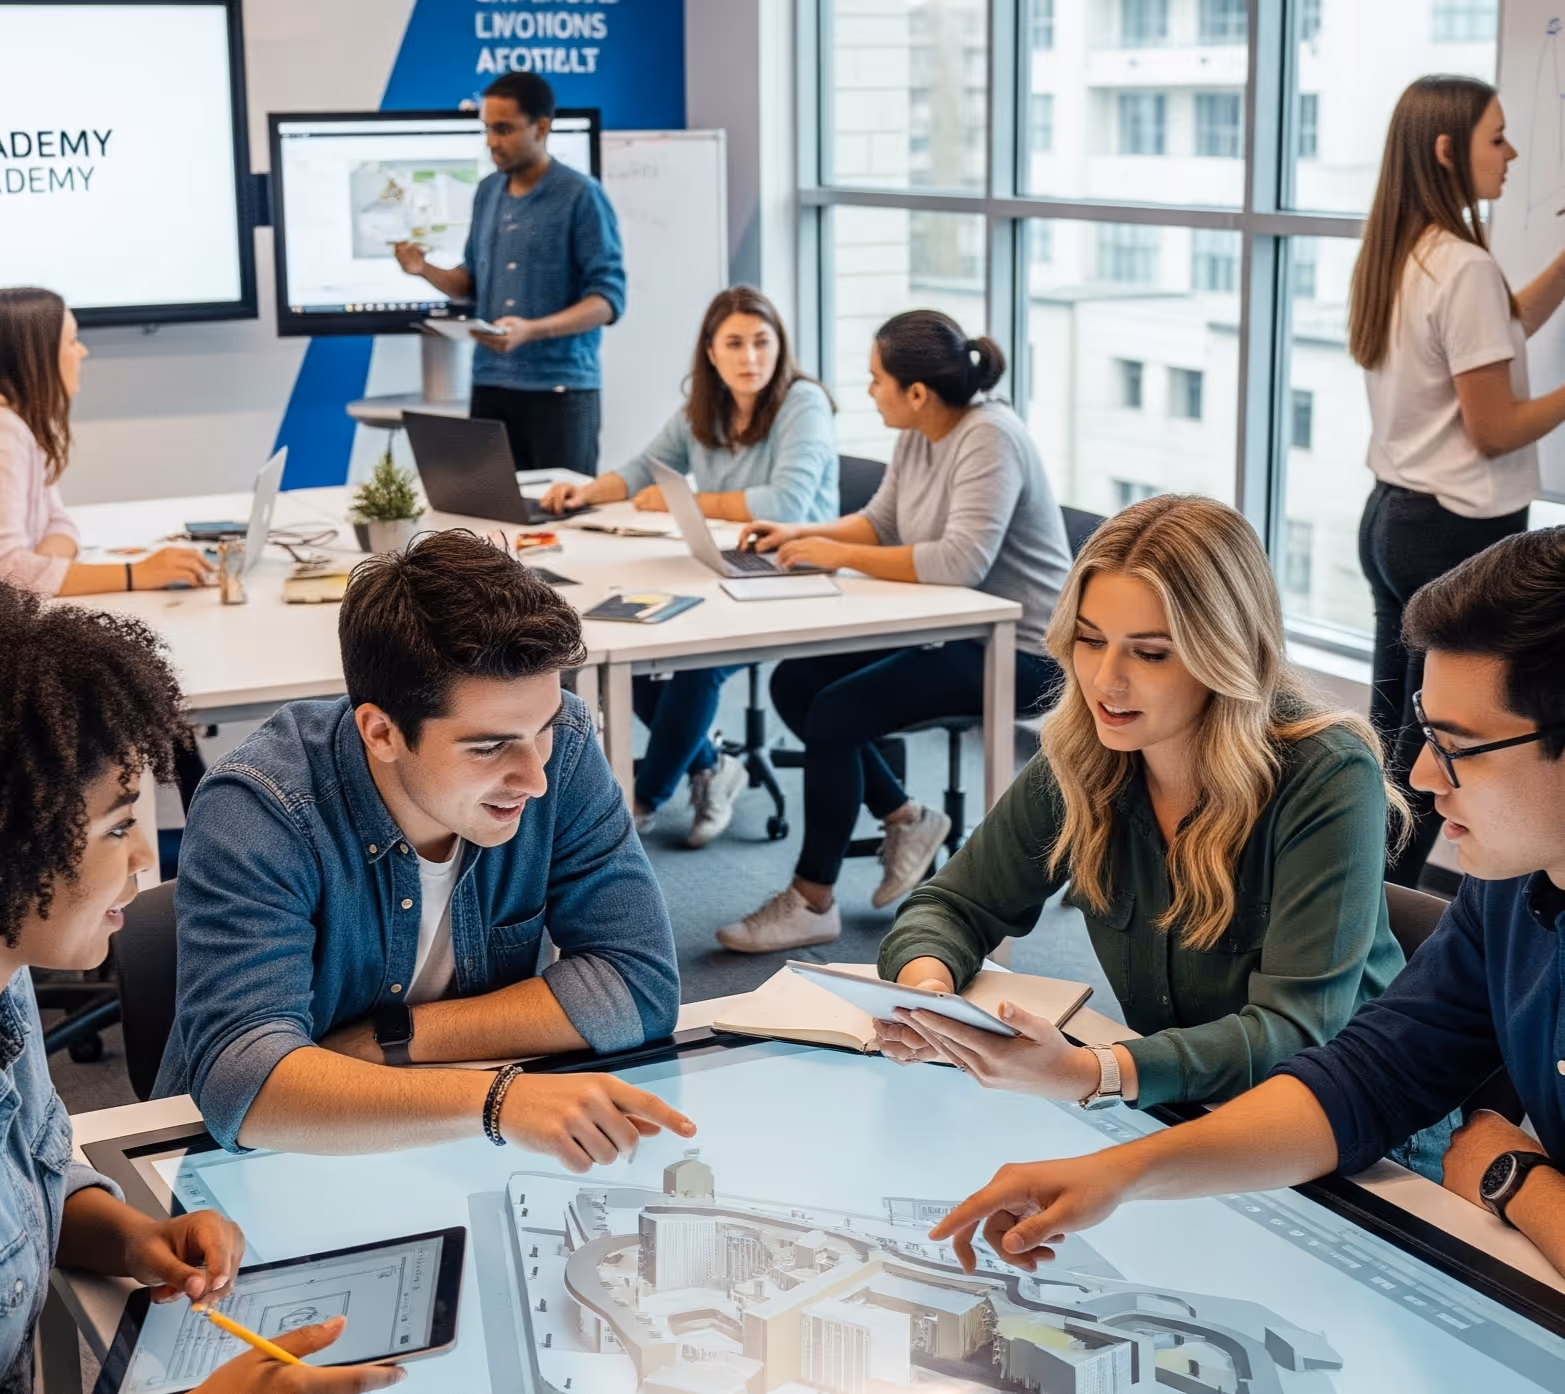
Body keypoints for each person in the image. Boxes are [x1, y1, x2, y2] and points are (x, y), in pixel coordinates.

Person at [930, 528, 1565, 1282]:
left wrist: (1514, 1181)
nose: (1422, 776)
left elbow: (1300, 1038)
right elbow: (1366, 1079)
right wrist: (1117, 1173)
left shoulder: (1327, 774)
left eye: (1458, 744)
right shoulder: (1505, 889)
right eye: (1426, 732)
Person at [871, 497, 1435, 1139]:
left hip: (1352, 1138)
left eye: (1151, 653)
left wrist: (1094, 1072)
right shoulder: (1087, 753)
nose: (1105, 681)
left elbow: (1295, 1033)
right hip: (1179, 1111)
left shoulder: (1325, 774)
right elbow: (952, 908)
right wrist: (932, 998)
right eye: (1090, 640)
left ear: (1224, 653)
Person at [156, 530, 693, 1169]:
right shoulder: (263, 807)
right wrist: (498, 1100)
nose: (537, 778)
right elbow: (245, 1083)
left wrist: (397, 1039)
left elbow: (640, 985)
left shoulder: (564, 746)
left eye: (541, 731)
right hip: (261, 1168)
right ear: (381, 733)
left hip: (465, 1140)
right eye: (490, 747)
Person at [0, 583, 403, 1391]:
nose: (146, 860)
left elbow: (36, 1176)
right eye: (117, 826)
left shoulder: (6, 986)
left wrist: (129, 1236)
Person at [714, 310, 1071, 953]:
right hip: (951, 627)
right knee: (797, 682)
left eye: (877, 379)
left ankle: (812, 899)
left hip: (1020, 648)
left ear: (916, 392)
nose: (870, 390)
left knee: (838, 710)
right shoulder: (918, 431)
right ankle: (906, 817)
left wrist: (836, 555)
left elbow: (960, 562)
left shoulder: (990, 437)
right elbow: (881, 522)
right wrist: (801, 535)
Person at [1352, 77, 1565, 888]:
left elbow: (1506, 322)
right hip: (1453, 528)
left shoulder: (1405, 256)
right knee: (1429, 757)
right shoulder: (1465, 267)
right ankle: (1386, 928)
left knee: (1389, 743)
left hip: (1391, 520)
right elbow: (1495, 427)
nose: (1510, 155)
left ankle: (1354, 914)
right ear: (1448, 150)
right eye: (1497, 138)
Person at [540, 287, 838, 845]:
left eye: (762, 343)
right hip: (721, 567)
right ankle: (712, 764)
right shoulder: (706, 406)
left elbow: (786, 504)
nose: (750, 358)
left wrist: (688, 503)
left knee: (694, 665)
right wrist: (586, 492)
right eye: (735, 344)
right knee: (636, 648)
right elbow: (641, 469)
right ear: (711, 352)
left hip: (795, 571)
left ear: (780, 348)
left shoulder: (803, 403)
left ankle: (638, 803)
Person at [393, 72, 625, 476]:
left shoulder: (581, 196)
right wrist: (423, 269)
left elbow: (608, 300)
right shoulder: (487, 192)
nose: (491, 142)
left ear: (542, 127)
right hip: (491, 385)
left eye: (503, 129)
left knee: (560, 521)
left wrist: (531, 330)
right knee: (490, 519)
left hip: (560, 390)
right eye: (486, 129)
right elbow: (471, 285)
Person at [0, 286, 213, 595]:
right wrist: (136, 574)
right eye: (71, 341)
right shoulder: (5, 433)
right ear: (34, 358)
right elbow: (8, 575)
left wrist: (36, 572)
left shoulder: (25, 423)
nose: (82, 352)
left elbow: (60, 525)